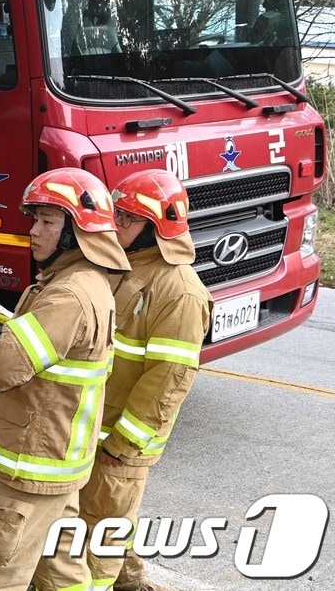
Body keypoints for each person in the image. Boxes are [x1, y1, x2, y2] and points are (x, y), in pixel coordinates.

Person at [0, 168, 130, 591]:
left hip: (29, 470)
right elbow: (43, 371)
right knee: (63, 573)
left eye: (48, 221)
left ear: (76, 233)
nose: (33, 231)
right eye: (35, 219)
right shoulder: (83, 284)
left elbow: (9, 361)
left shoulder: (68, 295)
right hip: (58, 466)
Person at [72, 169, 212, 591]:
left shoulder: (180, 292)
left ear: (154, 229)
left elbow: (169, 380)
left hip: (123, 440)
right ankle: (133, 582)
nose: (116, 225)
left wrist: (123, 444)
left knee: (101, 532)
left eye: (127, 220)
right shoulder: (123, 267)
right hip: (95, 427)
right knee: (106, 515)